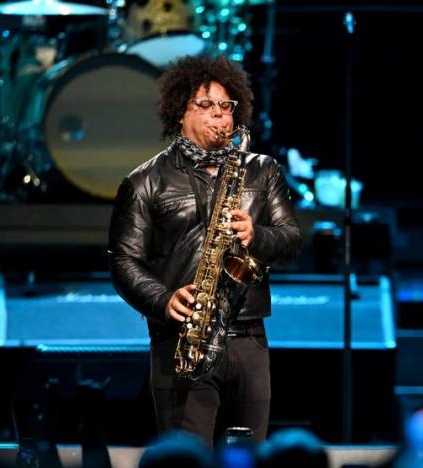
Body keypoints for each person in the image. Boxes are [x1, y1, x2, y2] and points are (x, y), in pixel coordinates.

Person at [109, 55, 302, 446]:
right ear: (181, 111)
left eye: (227, 106)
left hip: (249, 338)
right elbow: (124, 261)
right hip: (183, 339)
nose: (221, 117)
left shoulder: (261, 170)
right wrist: (164, 300)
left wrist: (257, 236)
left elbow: (291, 240)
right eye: (207, 105)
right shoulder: (144, 181)